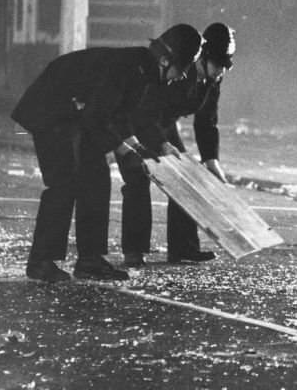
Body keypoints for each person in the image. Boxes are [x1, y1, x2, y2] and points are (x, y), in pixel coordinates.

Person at [13, 24, 204, 283]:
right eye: (181, 68)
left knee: (96, 178)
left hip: (76, 112)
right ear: (165, 59)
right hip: (52, 109)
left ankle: (90, 260)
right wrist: (126, 149)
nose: (182, 77)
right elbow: (98, 117)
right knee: (64, 182)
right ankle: (41, 262)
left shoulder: (143, 72)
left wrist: (155, 146)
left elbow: (126, 115)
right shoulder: (128, 68)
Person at [120, 22, 237, 267]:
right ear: (202, 58)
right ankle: (134, 249)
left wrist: (210, 159)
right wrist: (160, 145)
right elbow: (145, 112)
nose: (220, 73)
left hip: (164, 122)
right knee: (138, 177)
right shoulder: (181, 67)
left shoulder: (212, 78)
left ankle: (183, 247)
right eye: (218, 65)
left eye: (225, 67)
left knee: (183, 176)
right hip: (136, 119)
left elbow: (207, 120)